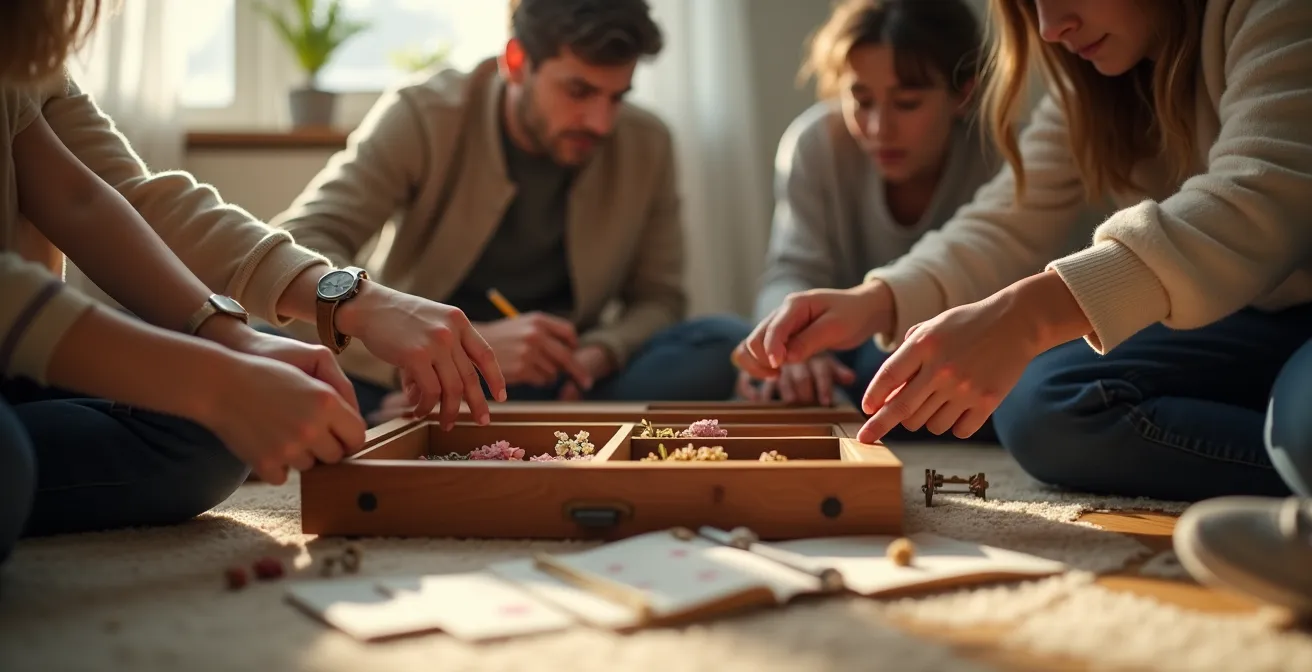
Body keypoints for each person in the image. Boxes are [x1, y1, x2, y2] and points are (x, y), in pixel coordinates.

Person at [735, 0, 1312, 502]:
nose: (1049, 26)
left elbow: (1259, 197)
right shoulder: (1087, 86)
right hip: (1234, 322)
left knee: (1303, 436)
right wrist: (876, 300)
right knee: (1045, 404)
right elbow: (1007, 221)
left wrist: (1025, 316)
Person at [0, 0, 505, 569]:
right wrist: (219, 382)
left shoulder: (22, 59)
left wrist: (243, 339)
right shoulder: (427, 111)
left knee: (218, 431)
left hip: (20, 356)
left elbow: (95, 197)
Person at [272, 0, 745, 424]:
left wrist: (602, 351)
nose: (601, 123)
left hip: (565, 379)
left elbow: (660, 299)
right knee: (264, 350)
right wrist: (446, 352)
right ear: (517, 62)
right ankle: (446, 399)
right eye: (579, 91)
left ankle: (452, 412)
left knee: (725, 343)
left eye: (616, 97)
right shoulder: (426, 113)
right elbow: (302, 239)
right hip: (415, 363)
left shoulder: (648, 143)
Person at [738, 0, 1000, 418]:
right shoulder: (816, 143)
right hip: (840, 348)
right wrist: (791, 348)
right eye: (860, 100)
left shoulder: (1003, 156)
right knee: (729, 348)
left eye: (907, 103)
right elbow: (791, 271)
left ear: (963, 94)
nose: (879, 129)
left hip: (955, 349)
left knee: (884, 362)